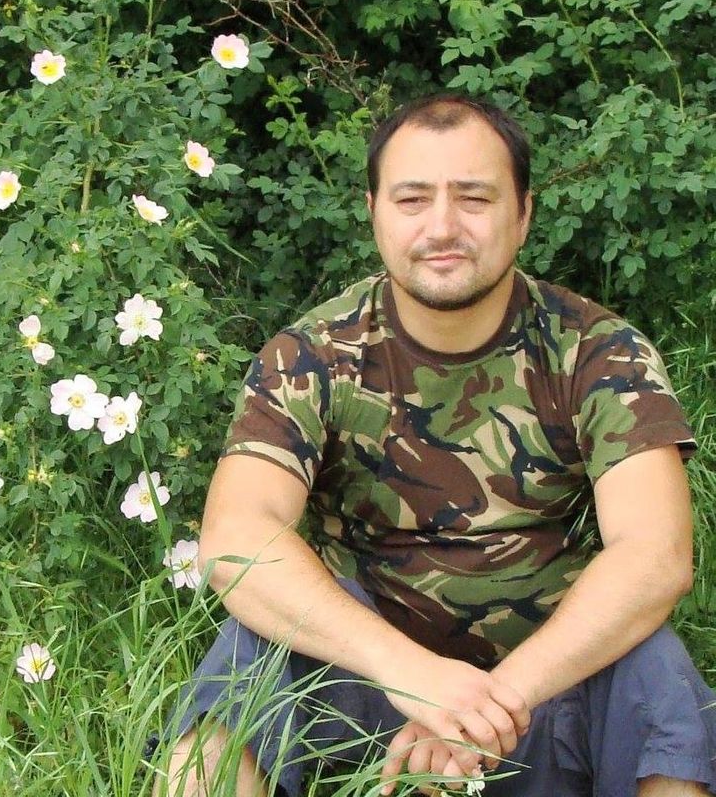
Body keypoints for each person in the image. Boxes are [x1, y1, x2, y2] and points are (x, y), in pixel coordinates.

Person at [151, 93, 716, 797]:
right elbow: (236, 540)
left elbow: (655, 556)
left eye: (474, 198)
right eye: (413, 199)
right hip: (363, 696)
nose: (443, 226)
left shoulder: (599, 352)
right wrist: (413, 676)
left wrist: (486, 706)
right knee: (242, 665)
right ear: (374, 212)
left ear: (523, 214)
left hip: (550, 693)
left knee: (655, 670)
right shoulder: (312, 355)